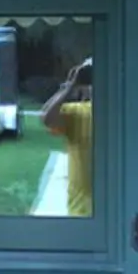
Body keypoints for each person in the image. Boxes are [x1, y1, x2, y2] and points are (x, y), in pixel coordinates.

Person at [40, 57, 93, 216]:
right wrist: (70, 87)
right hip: (81, 210)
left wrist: (71, 85)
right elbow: (47, 118)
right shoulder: (78, 113)